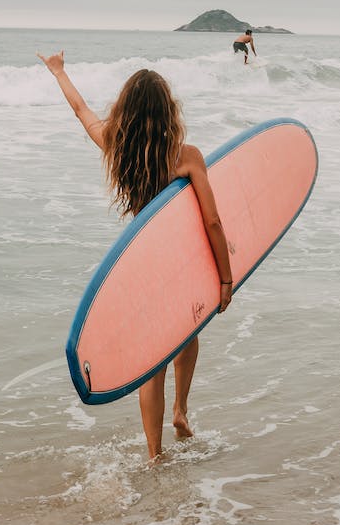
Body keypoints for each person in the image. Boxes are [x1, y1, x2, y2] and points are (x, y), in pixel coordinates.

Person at [37, 50, 233, 460]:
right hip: (181, 262)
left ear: (125, 109)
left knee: (152, 361)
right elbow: (214, 223)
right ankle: (180, 410)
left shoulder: (115, 144)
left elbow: (81, 110)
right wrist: (226, 279)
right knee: (188, 334)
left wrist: (59, 71)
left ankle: (154, 454)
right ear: (169, 111)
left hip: (141, 264)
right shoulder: (186, 156)